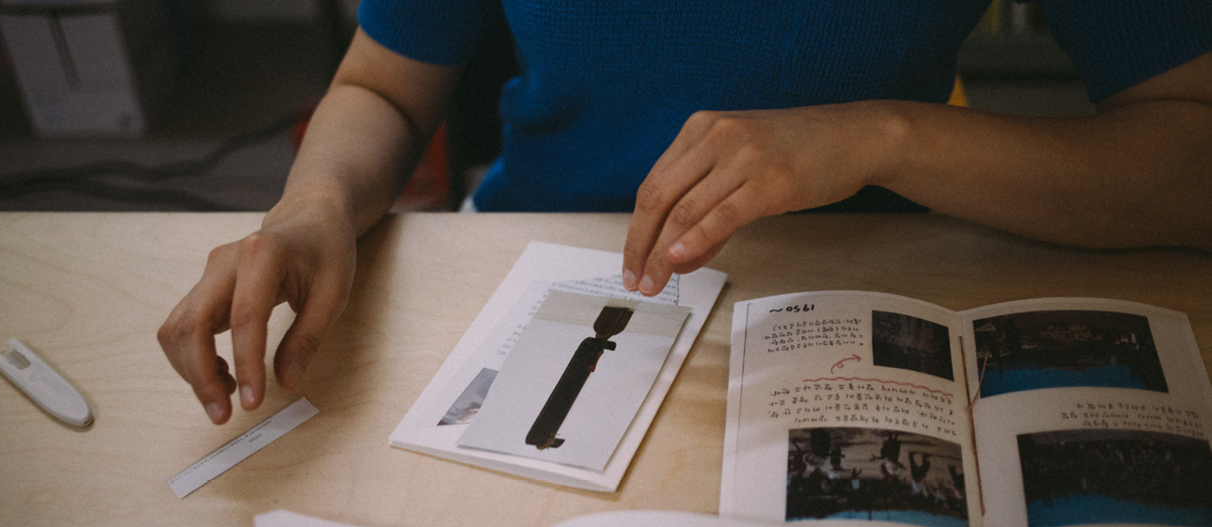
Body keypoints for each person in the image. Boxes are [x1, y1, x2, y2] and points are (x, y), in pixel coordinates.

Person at [159, 0, 1212, 424]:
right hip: (543, 267)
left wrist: (887, 136)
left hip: (860, 290)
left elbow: (1189, 152)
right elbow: (385, 87)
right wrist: (312, 207)